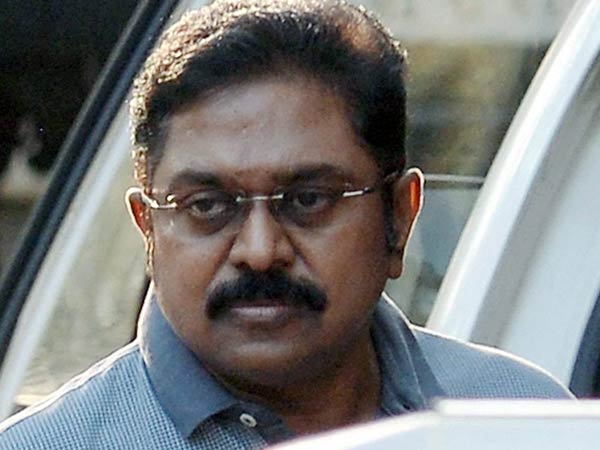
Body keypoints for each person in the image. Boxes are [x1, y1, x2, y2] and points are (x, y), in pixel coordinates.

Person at [0, 0, 572, 448]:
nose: (259, 250)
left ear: (399, 217)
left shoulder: (527, 421)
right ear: (148, 229)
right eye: (208, 205)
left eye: (308, 199)